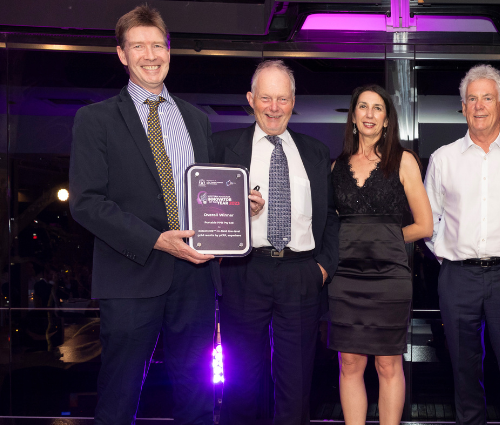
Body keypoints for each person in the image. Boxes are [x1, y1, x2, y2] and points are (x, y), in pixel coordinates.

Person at [69, 5, 219, 424]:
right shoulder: (94, 119)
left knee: (196, 396)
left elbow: (204, 190)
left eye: (158, 45)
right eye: (139, 46)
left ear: (169, 50)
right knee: (119, 399)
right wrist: (156, 238)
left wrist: (238, 205)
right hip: (130, 275)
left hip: (194, 277)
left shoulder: (197, 120)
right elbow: (86, 202)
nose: (150, 55)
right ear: (122, 53)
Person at [210, 60, 340, 425]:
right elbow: (203, 208)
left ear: (293, 101)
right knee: (242, 382)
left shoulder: (315, 151)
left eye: (282, 99)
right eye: (266, 98)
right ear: (251, 99)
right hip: (244, 271)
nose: (274, 107)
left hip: (302, 274)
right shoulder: (222, 147)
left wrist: (323, 268)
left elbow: (331, 216)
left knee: (296, 385)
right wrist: (238, 214)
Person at [424, 64, 500, 425]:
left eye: (487, 98)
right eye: (471, 99)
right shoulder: (443, 158)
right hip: (457, 279)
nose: (479, 106)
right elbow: (431, 222)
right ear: (463, 107)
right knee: (464, 375)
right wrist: (452, 254)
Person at [329, 84, 433, 425]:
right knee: (349, 364)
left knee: (387, 364)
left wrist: (385, 237)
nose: (370, 114)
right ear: (354, 116)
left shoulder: (403, 161)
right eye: (363, 107)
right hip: (344, 279)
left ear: (387, 119)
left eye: (377, 108)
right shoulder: (335, 167)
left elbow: (425, 225)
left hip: (390, 279)